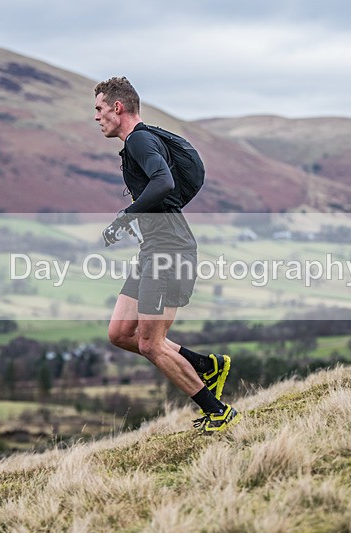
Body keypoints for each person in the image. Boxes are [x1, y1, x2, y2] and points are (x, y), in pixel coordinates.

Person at [93, 76, 240, 433]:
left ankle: (218, 411)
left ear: (118, 107)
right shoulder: (136, 144)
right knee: (120, 332)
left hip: (169, 250)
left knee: (151, 343)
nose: (96, 118)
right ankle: (206, 364)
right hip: (153, 249)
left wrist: (127, 216)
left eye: (99, 109)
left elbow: (164, 182)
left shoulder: (140, 139)